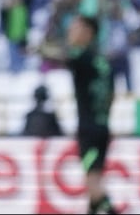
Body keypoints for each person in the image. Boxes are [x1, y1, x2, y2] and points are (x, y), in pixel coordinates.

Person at [41, 14, 117, 215]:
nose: (70, 32)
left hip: (89, 130)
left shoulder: (82, 57)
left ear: (88, 32)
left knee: (93, 186)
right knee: (93, 185)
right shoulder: (103, 61)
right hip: (102, 127)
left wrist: (40, 48)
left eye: (75, 28)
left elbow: (59, 56)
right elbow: (111, 96)